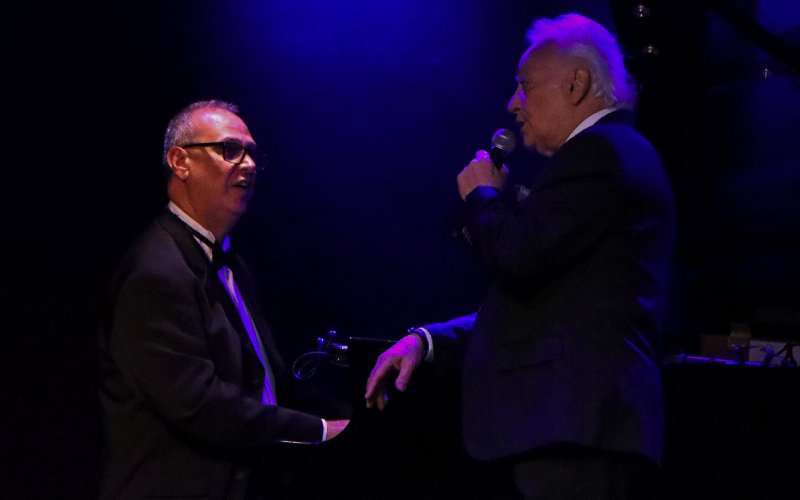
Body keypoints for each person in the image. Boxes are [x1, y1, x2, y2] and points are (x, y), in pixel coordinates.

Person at [365, 12, 676, 500]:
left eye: (525, 86)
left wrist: (484, 199)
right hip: (574, 430)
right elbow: (545, 302)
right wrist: (427, 341)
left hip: (576, 429)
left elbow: (518, 257)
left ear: (576, 84)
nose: (513, 105)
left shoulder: (600, 153)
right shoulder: (610, 155)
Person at [98, 99, 351, 499]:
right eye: (230, 150)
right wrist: (319, 430)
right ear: (180, 162)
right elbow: (200, 405)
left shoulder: (230, 262)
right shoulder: (156, 272)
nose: (248, 164)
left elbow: (266, 385)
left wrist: (350, 418)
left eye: (253, 153)